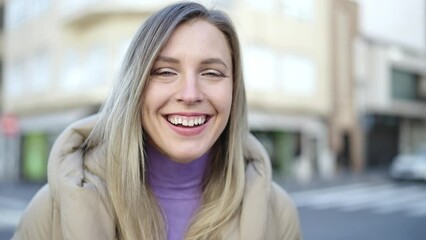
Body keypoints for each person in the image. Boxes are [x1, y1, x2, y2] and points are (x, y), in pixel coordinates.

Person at [13, 2, 302, 240]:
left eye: (212, 73)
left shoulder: (276, 213)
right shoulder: (52, 211)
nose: (190, 94)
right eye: (165, 72)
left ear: (234, 90)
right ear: (135, 87)